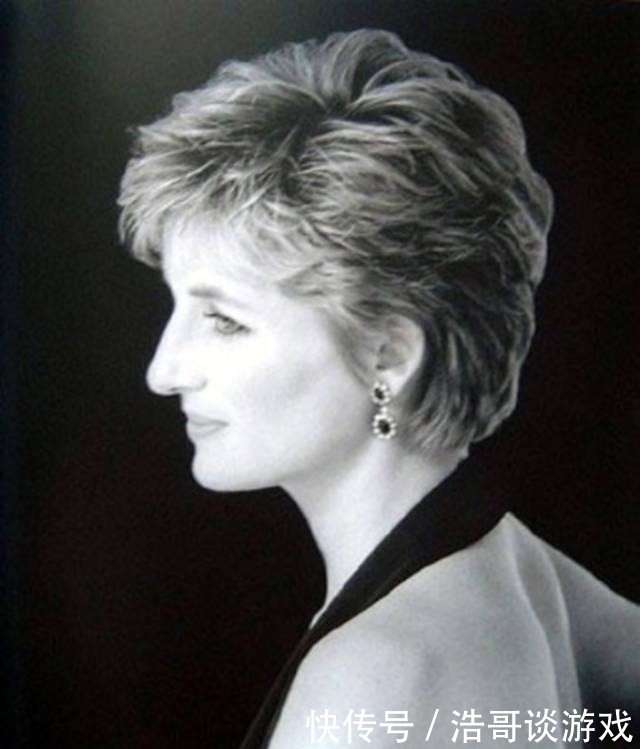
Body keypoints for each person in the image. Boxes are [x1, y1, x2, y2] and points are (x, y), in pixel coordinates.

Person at [118, 29, 639, 748]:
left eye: (225, 320)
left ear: (389, 355)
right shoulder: (537, 582)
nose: (164, 368)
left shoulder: (372, 676)